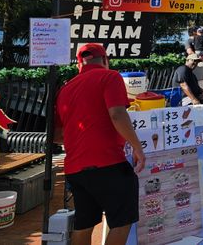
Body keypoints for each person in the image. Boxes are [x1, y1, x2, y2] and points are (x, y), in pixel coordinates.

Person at [54, 43, 145, 245]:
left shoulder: (65, 89)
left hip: (76, 168)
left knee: (84, 224)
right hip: (109, 163)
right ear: (105, 60)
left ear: (79, 64)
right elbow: (117, 114)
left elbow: (57, 135)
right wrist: (137, 147)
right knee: (122, 222)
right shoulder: (110, 76)